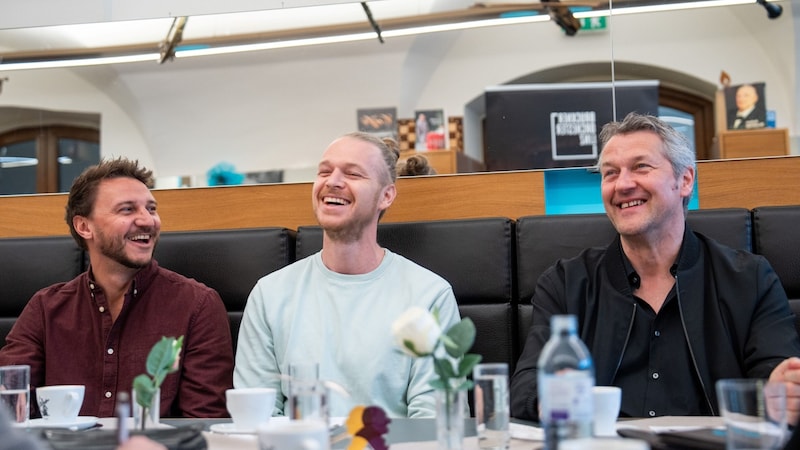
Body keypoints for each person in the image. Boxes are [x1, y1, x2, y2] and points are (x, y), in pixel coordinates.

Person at [510, 113, 800, 423]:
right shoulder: (564, 284)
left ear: (685, 180)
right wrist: (551, 398)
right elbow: (525, 389)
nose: (622, 184)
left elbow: (774, 379)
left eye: (641, 167)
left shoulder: (751, 279)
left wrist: (782, 393)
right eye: (610, 173)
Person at [234, 131, 460, 418]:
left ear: (386, 196)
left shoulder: (430, 295)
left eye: (353, 174)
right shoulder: (269, 294)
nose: (333, 181)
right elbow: (257, 417)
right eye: (324, 171)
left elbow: (436, 423)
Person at [0, 158, 234, 418]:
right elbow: (8, 411)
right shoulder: (45, 309)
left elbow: (203, 425)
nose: (147, 221)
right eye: (127, 210)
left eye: (151, 209)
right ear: (84, 226)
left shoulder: (197, 305)